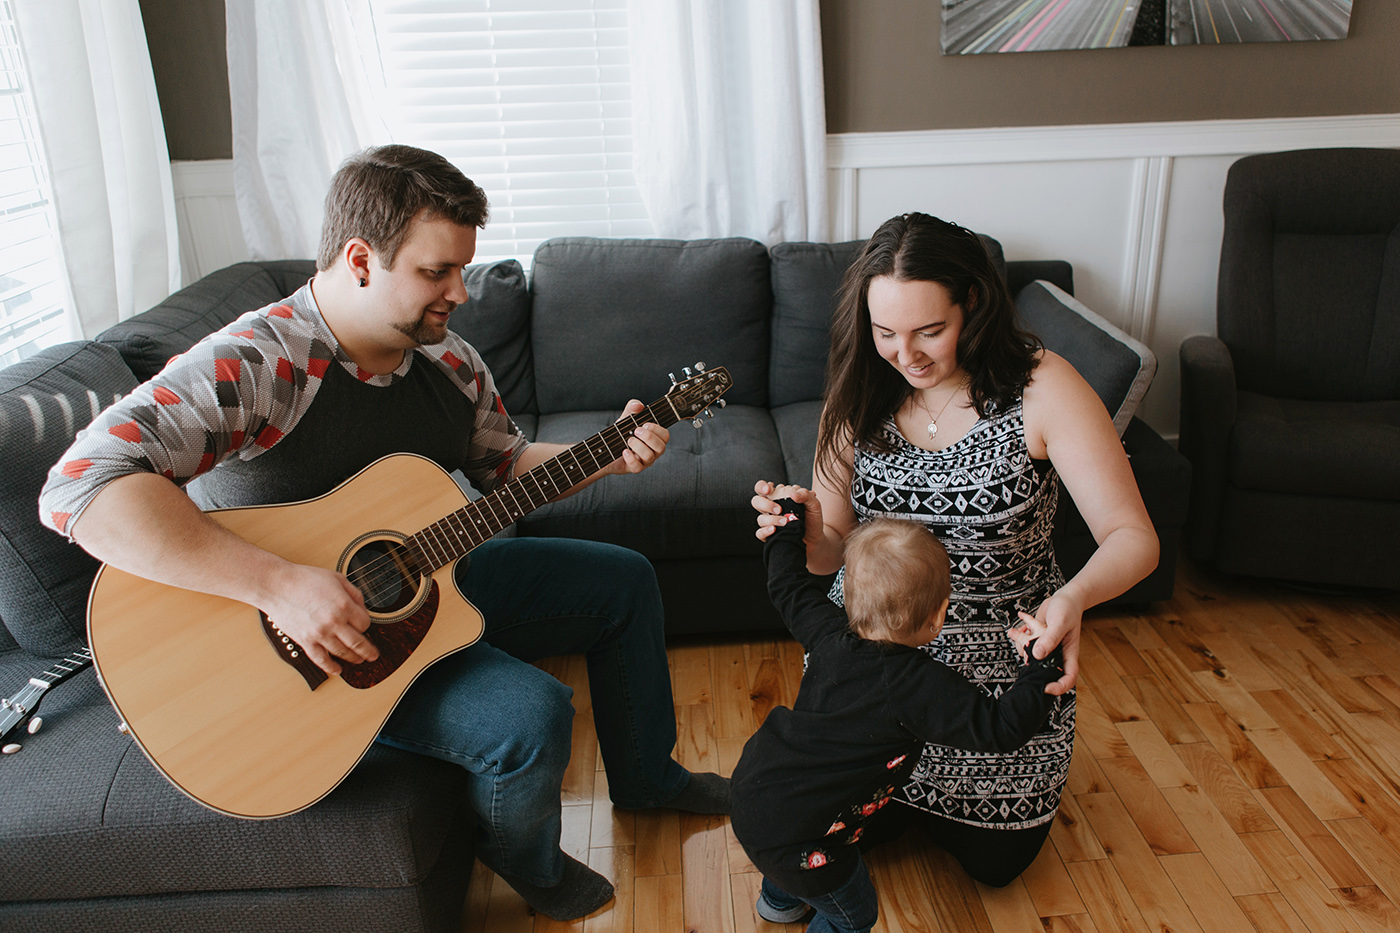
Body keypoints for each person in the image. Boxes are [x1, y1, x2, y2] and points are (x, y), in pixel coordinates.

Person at [39, 144, 728, 922]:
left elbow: (504, 466)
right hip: (304, 657)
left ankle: (649, 778)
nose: (460, 293)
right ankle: (523, 858)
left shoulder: (450, 359)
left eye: (463, 270)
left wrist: (608, 456)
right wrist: (281, 585)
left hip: (431, 581)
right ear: (361, 258)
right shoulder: (261, 362)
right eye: (438, 272)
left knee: (624, 578)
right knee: (531, 717)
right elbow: (78, 487)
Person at [752, 212, 1158, 886]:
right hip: (871, 685)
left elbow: (1134, 537)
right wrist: (795, 524)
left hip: (998, 692)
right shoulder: (858, 390)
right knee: (820, 833)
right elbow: (827, 557)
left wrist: (1072, 598)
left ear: (972, 302)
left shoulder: (1042, 386)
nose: (905, 354)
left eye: (928, 331)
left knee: (998, 867)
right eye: (886, 333)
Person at [731, 490, 1064, 933]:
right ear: (937, 617)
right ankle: (794, 898)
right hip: (808, 834)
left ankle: (779, 903)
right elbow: (1000, 728)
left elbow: (786, 585)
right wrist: (1038, 669)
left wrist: (788, 526)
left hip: (753, 789)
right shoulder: (918, 684)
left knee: (785, 857)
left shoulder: (829, 633)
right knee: (855, 914)